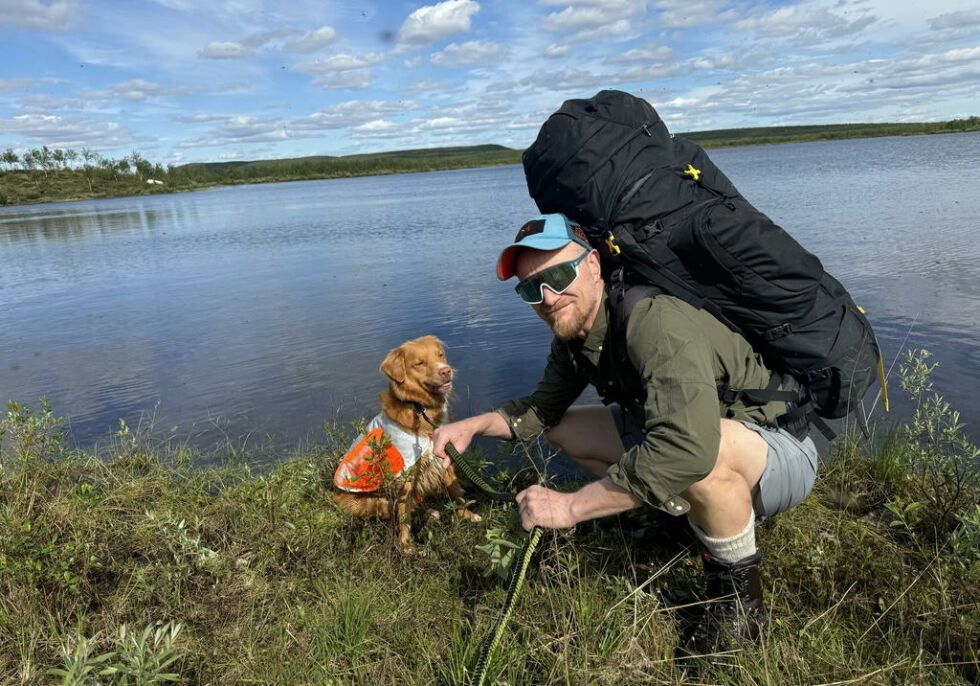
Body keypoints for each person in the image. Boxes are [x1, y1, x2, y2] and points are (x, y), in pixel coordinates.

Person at [432, 213, 820, 651]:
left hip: (779, 447)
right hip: (716, 440)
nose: (547, 296)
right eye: (530, 288)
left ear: (594, 265)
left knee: (697, 458)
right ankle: (680, 520)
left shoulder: (653, 321)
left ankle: (740, 608)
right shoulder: (575, 336)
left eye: (559, 274)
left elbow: (687, 450)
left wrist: (572, 507)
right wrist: (472, 426)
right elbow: (542, 411)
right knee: (566, 430)